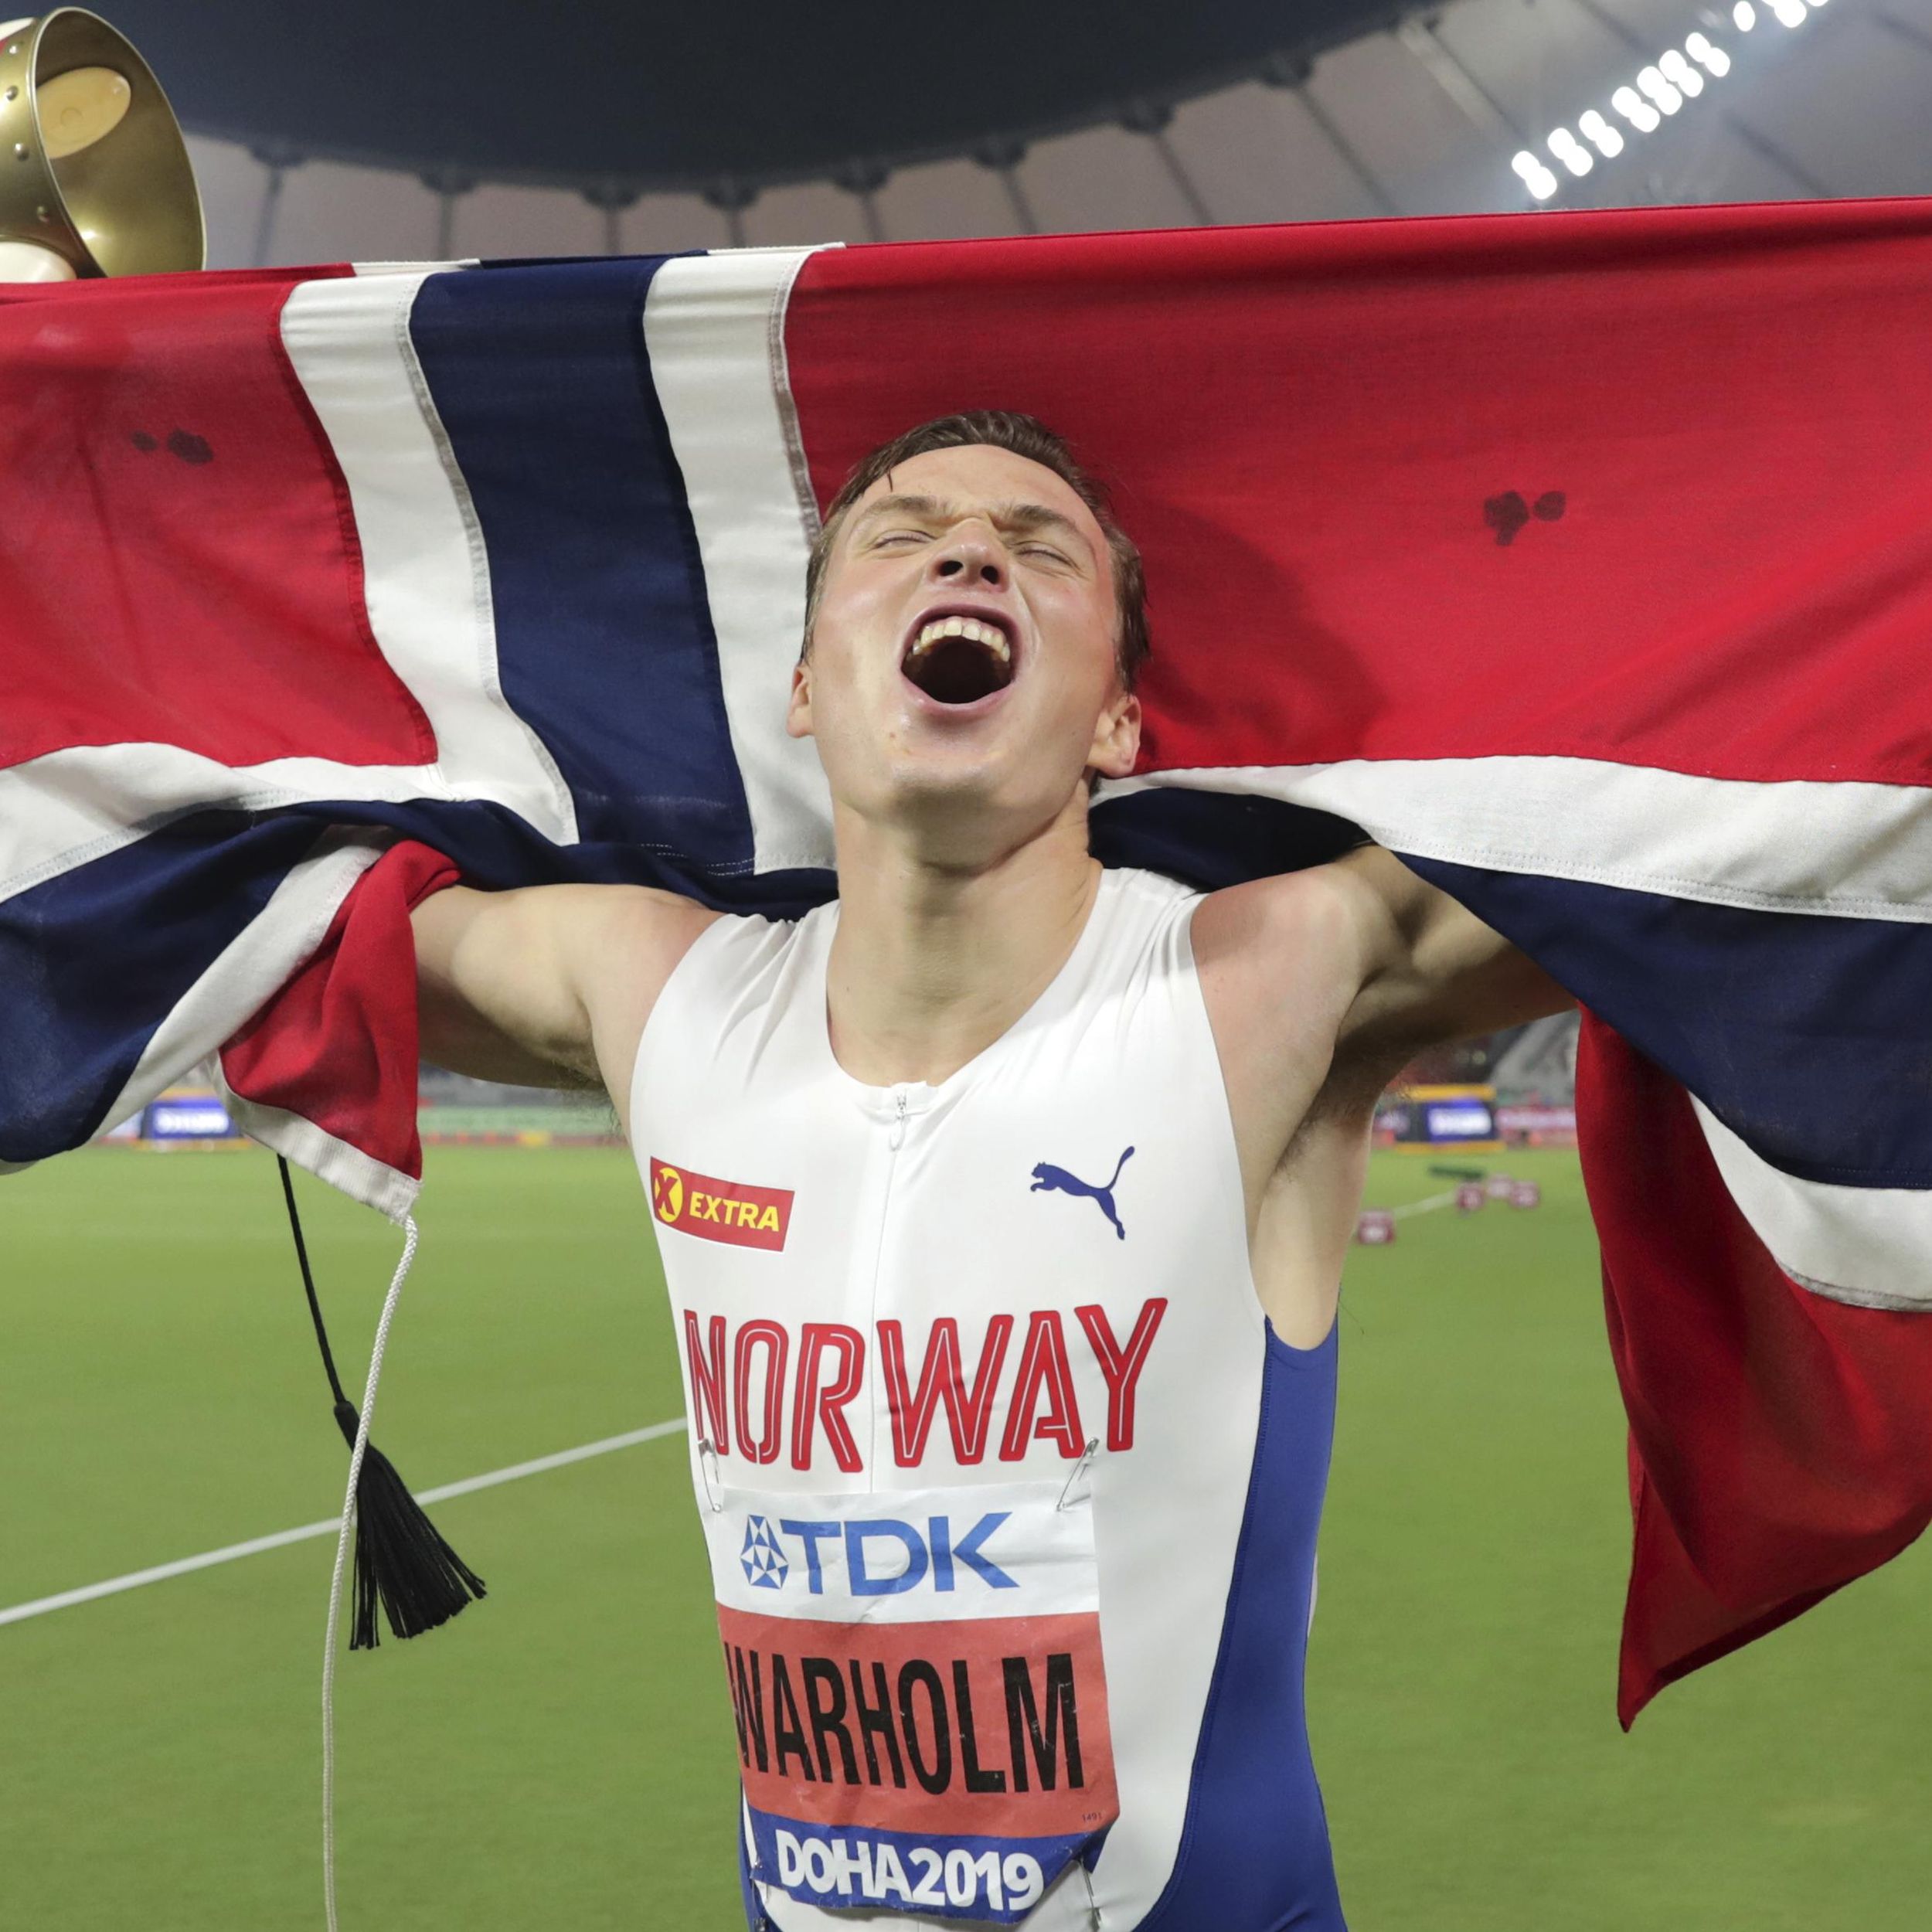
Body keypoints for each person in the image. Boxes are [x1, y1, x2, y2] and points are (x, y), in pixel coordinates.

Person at [411, 411, 1570, 1930]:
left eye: (1040, 551)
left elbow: (1677, 833)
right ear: (804, 687)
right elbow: (252, 941)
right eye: (902, 537)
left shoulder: (1264, 981)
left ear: (1117, 723)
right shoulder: (661, 992)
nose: (966, 555)